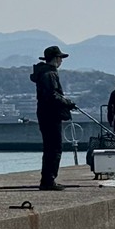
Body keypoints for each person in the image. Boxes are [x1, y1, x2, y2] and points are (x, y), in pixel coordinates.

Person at [30, 44, 77, 189]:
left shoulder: (43, 73)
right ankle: (49, 180)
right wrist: (67, 102)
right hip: (51, 114)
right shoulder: (50, 74)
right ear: (55, 59)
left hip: (44, 113)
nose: (61, 61)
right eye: (60, 58)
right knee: (55, 147)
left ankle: (48, 179)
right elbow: (52, 95)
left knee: (49, 147)